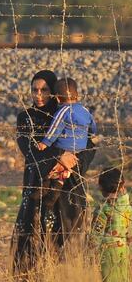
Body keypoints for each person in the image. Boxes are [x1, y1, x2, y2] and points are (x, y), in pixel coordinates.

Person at [12, 70, 96, 278]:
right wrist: (61, 156)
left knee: (69, 246)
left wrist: (71, 162)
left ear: (54, 92)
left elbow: (89, 146)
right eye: (34, 90)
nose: (38, 95)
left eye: (44, 90)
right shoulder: (26, 118)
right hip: (38, 189)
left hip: (70, 191)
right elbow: (30, 151)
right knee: (32, 245)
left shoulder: (68, 113)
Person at [36, 77, 97, 209]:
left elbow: (55, 128)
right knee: (65, 169)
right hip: (79, 148)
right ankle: (56, 187)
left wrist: (45, 142)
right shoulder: (85, 111)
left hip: (63, 146)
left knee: (53, 166)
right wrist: (90, 135)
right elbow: (93, 126)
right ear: (77, 95)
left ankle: (43, 187)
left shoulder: (63, 111)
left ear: (57, 98)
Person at [89, 167, 132, 282]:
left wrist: (91, 254)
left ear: (101, 188)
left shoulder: (103, 209)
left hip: (108, 253)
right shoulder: (127, 208)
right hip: (125, 251)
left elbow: (95, 234)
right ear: (122, 186)